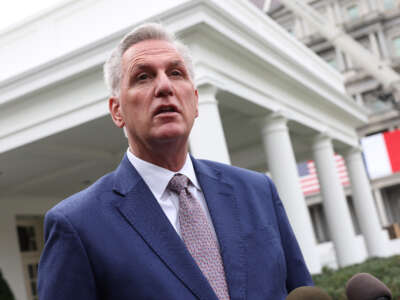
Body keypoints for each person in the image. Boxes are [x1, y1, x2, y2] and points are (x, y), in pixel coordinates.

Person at [37, 23, 312, 300]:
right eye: (143, 77)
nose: (164, 86)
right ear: (117, 110)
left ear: (194, 102)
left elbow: (300, 290)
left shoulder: (258, 191)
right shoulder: (77, 225)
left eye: (176, 73)